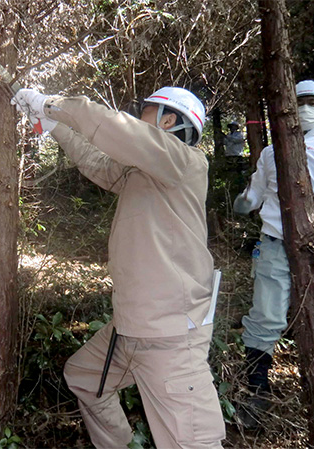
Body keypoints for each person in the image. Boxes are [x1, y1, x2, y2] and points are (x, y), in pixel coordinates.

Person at [12, 87, 225, 448]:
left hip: (170, 336)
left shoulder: (184, 162)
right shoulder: (143, 174)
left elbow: (114, 128)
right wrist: (53, 126)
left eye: (146, 113)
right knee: (84, 377)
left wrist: (52, 104)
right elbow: (98, 163)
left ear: (168, 120)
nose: (138, 118)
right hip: (131, 326)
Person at [233, 80, 314, 428]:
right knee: (266, 316)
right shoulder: (272, 152)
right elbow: (256, 192)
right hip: (274, 242)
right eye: (300, 101)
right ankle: (257, 392)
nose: (306, 108)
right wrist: (246, 202)